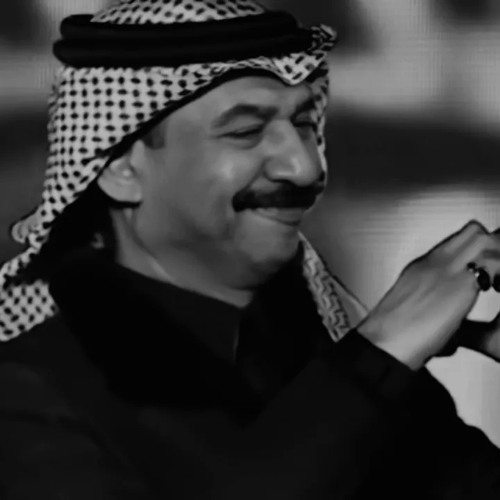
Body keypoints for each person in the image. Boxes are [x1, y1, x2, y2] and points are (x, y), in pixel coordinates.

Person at [1, 0, 500, 498]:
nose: (305, 168)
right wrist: (381, 351)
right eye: (245, 132)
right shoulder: (26, 391)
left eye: (304, 125)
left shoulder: (314, 345)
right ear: (121, 169)